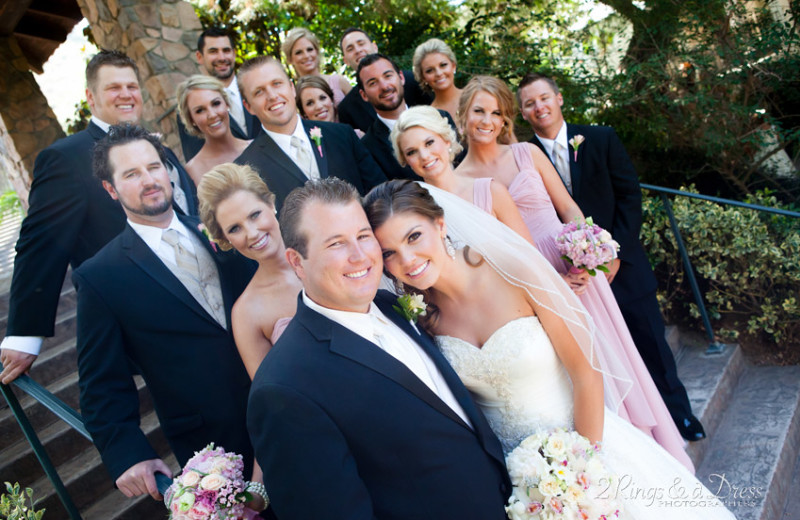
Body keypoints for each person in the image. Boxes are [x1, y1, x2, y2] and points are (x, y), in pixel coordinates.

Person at [364, 179, 736, 519]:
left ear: (440, 224)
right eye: (389, 253)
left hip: (589, 451)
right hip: (517, 484)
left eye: (414, 237)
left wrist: (580, 473)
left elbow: (585, 371)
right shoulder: (417, 317)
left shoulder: (512, 269)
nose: (407, 260)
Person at [455, 76, 693, 468]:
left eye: (496, 112)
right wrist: (543, 284)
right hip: (531, 284)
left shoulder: (526, 154)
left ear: (505, 120)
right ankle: (600, 459)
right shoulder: (458, 182)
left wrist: (589, 258)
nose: (487, 120)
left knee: (612, 358)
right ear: (463, 115)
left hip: (574, 268)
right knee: (571, 370)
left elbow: (567, 208)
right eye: (479, 110)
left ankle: (647, 453)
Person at [246, 177, 510, 520]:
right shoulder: (283, 389)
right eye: (336, 244)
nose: (360, 256)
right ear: (298, 262)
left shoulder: (391, 303)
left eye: (363, 236)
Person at [518, 72, 706, 442]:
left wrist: (611, 254)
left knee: (651, 344)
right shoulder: (524, 157)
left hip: (624, 268)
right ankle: (637, 431)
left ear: (558, 98)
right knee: (608, 354)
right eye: (529, 103)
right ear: (523, 113)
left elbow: (629, 197)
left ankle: (680, 417)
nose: (539, 107)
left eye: (543, 98)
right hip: (572, 278)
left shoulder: (600, 137)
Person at [74, 125, 257, 502]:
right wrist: (128, 454)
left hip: (285, 407)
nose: (149, 180)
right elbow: (101, 384)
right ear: (111, 189)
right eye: (131, 174)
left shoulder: (223, 234)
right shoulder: (100, 276)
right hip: (214, 446)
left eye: (154, 167)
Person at [0, 50, 196, 385]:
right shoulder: (66, 158)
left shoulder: (157, 149)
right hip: (143, 316)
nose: (126, 94)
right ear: (91, 97)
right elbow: (41, 243)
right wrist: (25, 333)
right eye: (114, 87)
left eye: (131, 86)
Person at [235, 56, 386, 212]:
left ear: (292, 88)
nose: (272, 96)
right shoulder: (246, 170)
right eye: (259, 92)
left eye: (277, 84)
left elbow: (381, 195)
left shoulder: (342, 136)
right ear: (248, 107)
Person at [197, 163, 302, 379]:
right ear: (226, 240)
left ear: (271, 203)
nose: (252, 233)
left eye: (254, 215)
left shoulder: (325, 252)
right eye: (235, 229)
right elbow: (274, 397)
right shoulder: (246, 314)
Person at [390, 105, 533, 245]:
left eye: (429, 143)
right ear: (406, 160)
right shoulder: (415, 213)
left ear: (446, 140)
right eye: (411, 152)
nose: (424, 155)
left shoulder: (492, 192)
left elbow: (531, 257)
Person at [358, 54, 458, 181]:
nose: (384, 86)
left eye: (388, 76)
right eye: (373, 83)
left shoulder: (440, 117)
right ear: (364, 95)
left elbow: (463, 164)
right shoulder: (367, 149)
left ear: (401, 77)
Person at [178, 27, 261, 161]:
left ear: (234, 53)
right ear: (200, 57)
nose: (221, 57)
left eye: (226, 50)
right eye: (213, 52)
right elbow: (198, 160)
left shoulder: (256, 88)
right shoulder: (191, 109)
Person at [337, 27, 431, 133]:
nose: (358, 50)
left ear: (375, 47)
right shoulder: (347, 109)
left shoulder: (412, 80)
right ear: (346, 61)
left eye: (361, 43)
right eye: (350, 49)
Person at [176, 75, 252, 186]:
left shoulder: (257, 146)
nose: (212, 115)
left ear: (227, 104)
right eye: (200, 110)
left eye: (216, 103)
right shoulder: (193, 171)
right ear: (191, 119)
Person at [281, 27, 351, 105]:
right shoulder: (292, 96)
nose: (306, 56)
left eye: (310, 49)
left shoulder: (338, 82)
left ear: (317, 51)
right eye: (299, 52)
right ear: (290, 59)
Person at [295, 75, 364, 138]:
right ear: (303, 113)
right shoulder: (307, 147)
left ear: (331, 100)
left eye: (322, 98)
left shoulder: (357, 136)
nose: (319, 106)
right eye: (310, 103)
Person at [412, 38, 462, 123]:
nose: (438, 73)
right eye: (429, 70)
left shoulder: (475, 96)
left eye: (443, 65)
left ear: (453, 66)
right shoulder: (427, 118)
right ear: (423, 77)